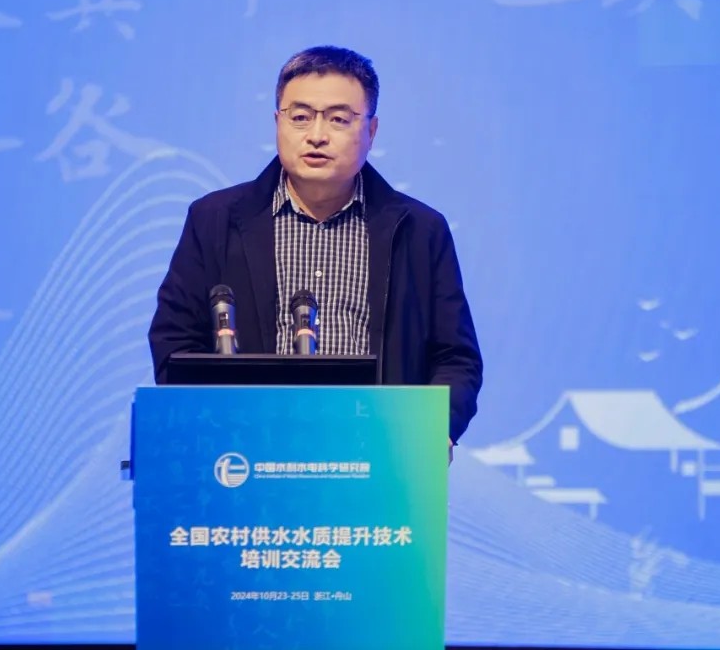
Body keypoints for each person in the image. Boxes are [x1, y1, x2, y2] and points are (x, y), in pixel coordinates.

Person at [148, 46, 483, 454]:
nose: (317, 135)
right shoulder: (214, 220)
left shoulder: (419, 230)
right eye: (301, 117)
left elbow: (455, 357)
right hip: (246, 456)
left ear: (372, 131)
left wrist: (436, 432)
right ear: (277, 122)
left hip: (379, 455)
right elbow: (175, 341)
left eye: (339, 119)